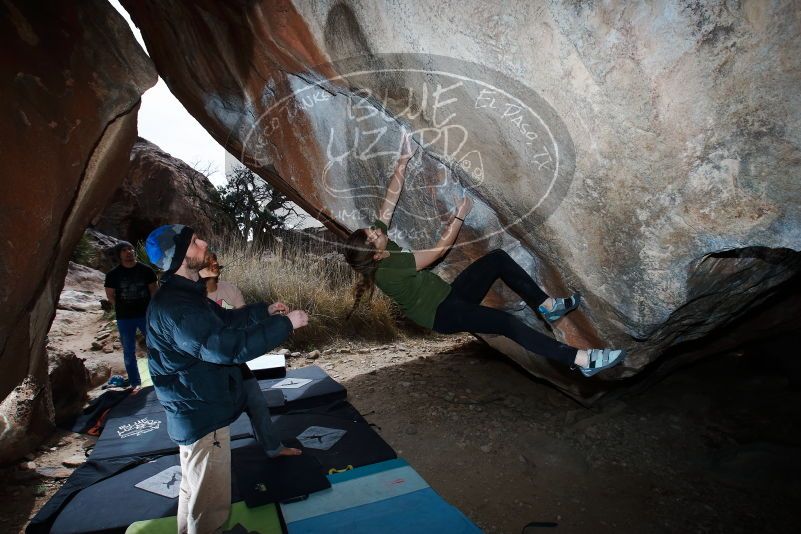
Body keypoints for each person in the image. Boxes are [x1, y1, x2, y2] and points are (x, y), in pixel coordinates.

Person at [343, 133, 625, 377]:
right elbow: (438, 252)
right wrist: (460, 216)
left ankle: (548, 305)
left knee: (498, 260)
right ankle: (581, 359)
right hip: (442, 314)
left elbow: (386, 207)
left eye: (370, 231)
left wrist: (403, 160)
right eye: (372, 237)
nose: (375, 231)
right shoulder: (389, 270)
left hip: (450, 295)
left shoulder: (380, 244)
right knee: (506, 323)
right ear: (375, 256)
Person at [144, 224, 309, 534]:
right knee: (211, 506)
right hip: (202, 414)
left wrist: (265, 311)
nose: (203, 243)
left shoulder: (184, 296)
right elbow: (227, 348)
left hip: (193, 407)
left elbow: (224, 321)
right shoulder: (179, 307)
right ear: (180, 256)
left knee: (194, 489)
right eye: (194, 242)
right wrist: (286, 324)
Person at [199, 251, 301, 458]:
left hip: (234, 359)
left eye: (215, 259)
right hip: (208, 367)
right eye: (209, 261)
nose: (215, 263)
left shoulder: (231, 290)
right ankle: (212, 461)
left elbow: (243, 323)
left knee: (256, 401)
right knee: (213, 417)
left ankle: (273, 448)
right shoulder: (194, 301)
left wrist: (269, 311)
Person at [104, 241, 157, 393]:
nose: (129, 252)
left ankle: (160, 378)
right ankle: (135, 383)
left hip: (146, 315)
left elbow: (154, 290)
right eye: (125, 250)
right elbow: (110, 295)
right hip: (125, 318)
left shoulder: (146, 270)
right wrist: (122, 306)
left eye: (131, 248)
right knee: (128, 351)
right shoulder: (113, 275)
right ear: (119, 254)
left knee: (155, 347)